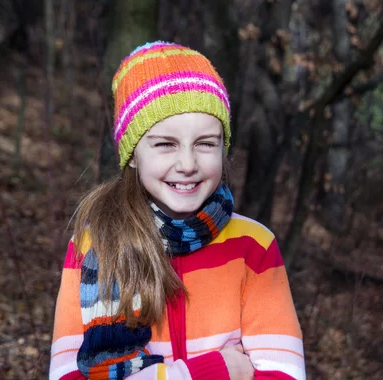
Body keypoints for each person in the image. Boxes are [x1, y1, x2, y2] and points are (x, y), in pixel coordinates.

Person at [49, 41, 306, 380]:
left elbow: (284, 375)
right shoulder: (95, 247)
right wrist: (216, 370)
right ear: (133, 155)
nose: (187, 164)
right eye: (165, 144)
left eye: (205, 143)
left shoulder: (253, 247)